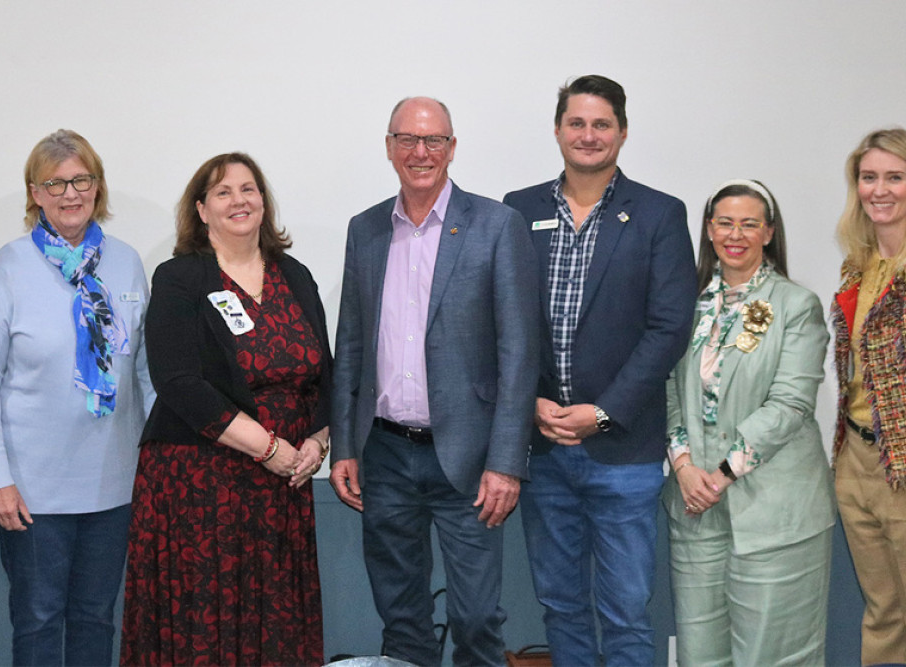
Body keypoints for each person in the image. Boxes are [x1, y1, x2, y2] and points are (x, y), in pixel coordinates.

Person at [329, 96, 538, 666]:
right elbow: (350, 344)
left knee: (475, 621)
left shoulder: (496, 226)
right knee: (401, 617)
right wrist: (345, 445)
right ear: (389, 146)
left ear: (452, 147)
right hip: (387, 454)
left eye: (434, 141)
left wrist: (506, 461)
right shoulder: (366, 229)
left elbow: (519, 353)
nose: (420, 153)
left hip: (470, 461)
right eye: (407, 140)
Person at [502, 75, 696, 665]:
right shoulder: (517, 209)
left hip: (624, 453)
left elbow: (669, 329)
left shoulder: (660, 214)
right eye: (577, 123)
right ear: (558, 130)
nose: (589, 135)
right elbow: (504, 321)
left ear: (623, 132)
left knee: (625, 611)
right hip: (543, 446)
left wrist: (604, 412)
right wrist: (529, 402)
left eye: (602, 124)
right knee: (560, 604)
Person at [120, 152, 331, 666]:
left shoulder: (295, 275)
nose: (239, 200)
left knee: (275, 623)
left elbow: (325, 370)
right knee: (202, 626)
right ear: (202, 209)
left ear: (263, 201)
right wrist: (270, 449)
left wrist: (317, 441)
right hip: (198, 486)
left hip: (282, 490)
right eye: (223, 192)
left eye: (248, 189)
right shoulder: (180, 278)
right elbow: (178, 381)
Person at [0, 129, 154, 666]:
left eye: (81, 179)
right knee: (39, 620)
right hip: (31, 491)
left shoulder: (125, 262)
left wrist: (154, 464)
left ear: (97, 186)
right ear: (35, 193)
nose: (70, 194)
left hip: (113, 484)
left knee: (97, 618)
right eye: (55, 183)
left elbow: (143, 371)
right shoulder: (9, 266)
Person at [664, 179, 835, 664]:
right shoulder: (686, 306)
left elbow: (790, 404)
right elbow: (669, 393)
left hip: (775, 514)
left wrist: (720, 475)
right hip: (695, 509)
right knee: (700, 655)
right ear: (709, 229)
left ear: (768, 232)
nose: (735, 234)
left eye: (749, 223)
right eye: (724, 222)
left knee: (773, 655)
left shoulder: (793, 306)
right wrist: (683, 469)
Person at [833, 127, 906, 666]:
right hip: (856, 459)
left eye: (896, 177)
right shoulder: (857, 265)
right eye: (869, 177)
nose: (880, 190)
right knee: (883, 609)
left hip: (901, 462)